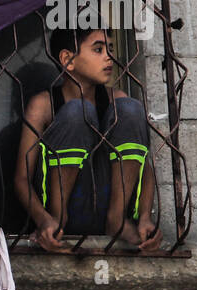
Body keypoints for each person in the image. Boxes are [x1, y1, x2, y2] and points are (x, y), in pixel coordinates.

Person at [14, 26, 160, 252]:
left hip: (107, 207)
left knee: (130, 109)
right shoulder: (42, 106)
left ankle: (118, 220)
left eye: (110, 49)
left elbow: (144, 167)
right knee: (77, 112)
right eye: (98, 50)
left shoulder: (117, 101)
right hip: (63, 212)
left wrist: (144, 217)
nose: (108, 57)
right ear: (67, 59)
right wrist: (43, 219)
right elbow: (22, 179)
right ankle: (57, 220)